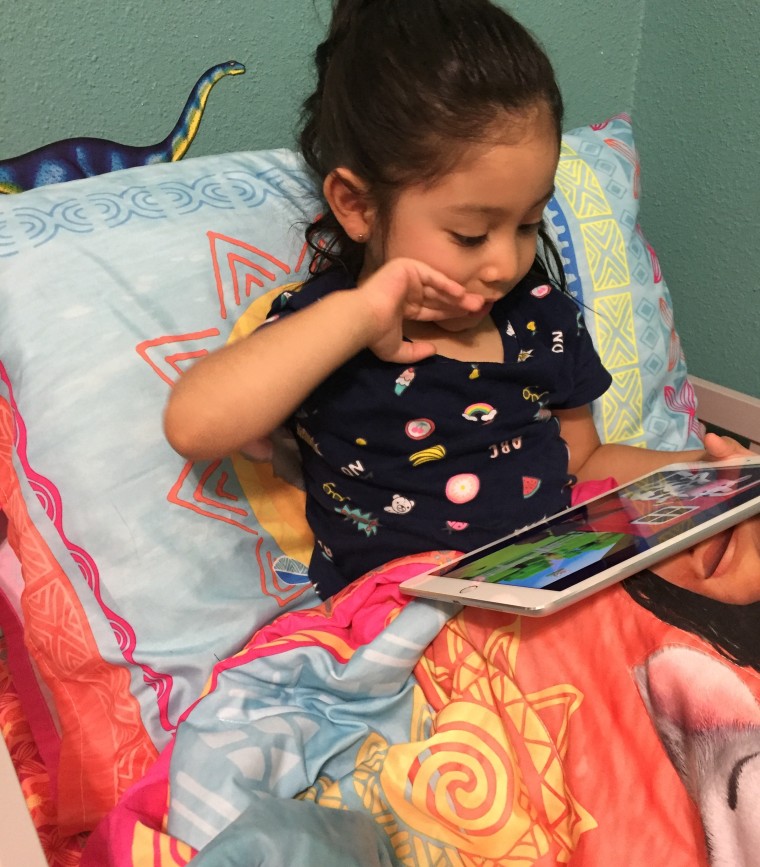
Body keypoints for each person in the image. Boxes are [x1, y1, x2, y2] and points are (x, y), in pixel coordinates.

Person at [164, 0, 751, 599]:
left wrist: (702, 480)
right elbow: (194, 425)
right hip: (399, 609)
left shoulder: (540, 316)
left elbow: (583, 461)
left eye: (528, 224)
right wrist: (360, 315)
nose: (505, 264)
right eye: (470, 235)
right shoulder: (326, 329)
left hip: (550, 579)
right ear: (359, 207)